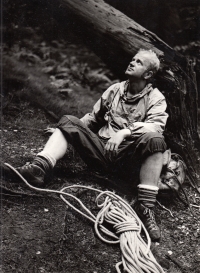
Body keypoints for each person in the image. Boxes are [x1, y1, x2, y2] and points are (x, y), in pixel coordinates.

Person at [4, 49, 168, 241]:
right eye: (132, 59)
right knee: (68, 120)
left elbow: (156, 126)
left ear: (148, 74)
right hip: (101, 151)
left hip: (126, 158)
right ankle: (39, 169)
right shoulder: (115, 90)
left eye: (138, 62)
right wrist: (67, 130)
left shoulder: (156, 98)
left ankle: (146, 207)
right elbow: (92, 118)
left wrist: (125, 132)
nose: (131, 63)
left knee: (157, 141)